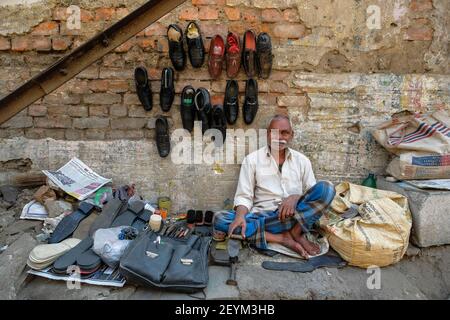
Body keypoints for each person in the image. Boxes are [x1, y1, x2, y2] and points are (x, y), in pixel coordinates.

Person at [213, 115, 336, 258]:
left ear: (291, 135)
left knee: (327, 188)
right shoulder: (252, 160)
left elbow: (312, 194)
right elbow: (244, 196)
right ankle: (283, 238)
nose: (280, 137)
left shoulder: (302, 161)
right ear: (268, 134)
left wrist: (295, 197)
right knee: (219, 218)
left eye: (285, 132)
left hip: (295, 217)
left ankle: (295, 233)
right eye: (275, 132)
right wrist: (240, 216)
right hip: (264, 217)